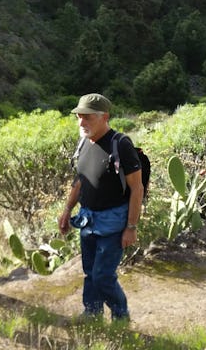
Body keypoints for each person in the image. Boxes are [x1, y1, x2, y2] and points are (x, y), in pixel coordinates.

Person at [57, 93, 143, 322]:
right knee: (90, 272)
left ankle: (121, 316)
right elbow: (80, 180)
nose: (82, 122)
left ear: (105, 117)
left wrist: (131, 227)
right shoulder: (84, 141)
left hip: (114, 222)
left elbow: (137, 188)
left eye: (87, 117)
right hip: (88, 219)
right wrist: (67, 209)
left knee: (103, 275)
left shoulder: (121, 144)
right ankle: (92, 312)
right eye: (79, 117)